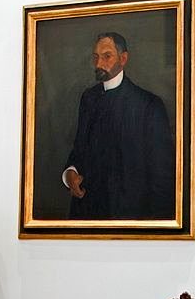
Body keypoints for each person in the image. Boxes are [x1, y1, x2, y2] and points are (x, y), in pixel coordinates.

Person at [63, 32, 175, 219]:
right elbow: (79, 149)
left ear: (123, 59)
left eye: (107, 56)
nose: (99, 64)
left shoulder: (148, 105)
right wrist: (70, 173)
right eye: (96, 57)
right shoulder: (88, 98)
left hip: (128, 216)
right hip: (86, 214)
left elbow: (162, 176)